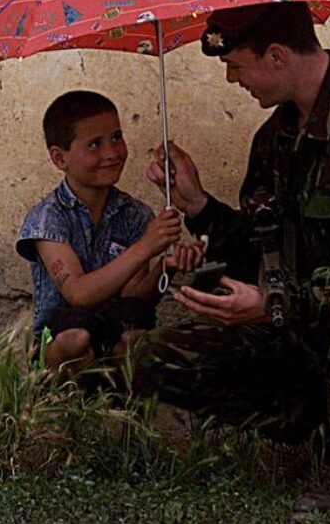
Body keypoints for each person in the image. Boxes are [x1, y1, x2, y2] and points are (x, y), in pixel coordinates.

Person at [131, 1, 330, 521]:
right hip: (304, 324)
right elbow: (258, 250)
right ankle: (325, 421)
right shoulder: (273, 140)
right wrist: (198, 205)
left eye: (235, 65)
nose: (232, 80)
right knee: (157, 357)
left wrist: (276, 305)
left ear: (277, 56)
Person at [17, 90, 201, 376]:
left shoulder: (134, 214)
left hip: (117, 330)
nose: (112, 153)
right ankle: (68, 399)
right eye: (95, 145)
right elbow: (78, 293)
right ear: (59, 158)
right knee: (76, 338)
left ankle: (126, 401)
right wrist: (146, 247)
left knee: (136, 338)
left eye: (117, 137)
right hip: (64, 338)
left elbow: (134, 297)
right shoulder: (48, 218)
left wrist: (167, 266)